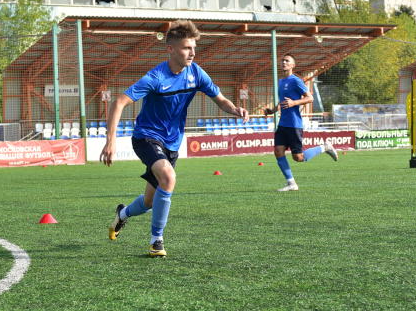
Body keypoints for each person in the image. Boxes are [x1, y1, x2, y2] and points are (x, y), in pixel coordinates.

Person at [101, 20, 248, 257]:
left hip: (172, 143)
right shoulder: (156, 77)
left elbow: (220, 98)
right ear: (170, 49)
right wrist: (111, 140)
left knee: (150, 201)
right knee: (169, 177)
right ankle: (156, 240)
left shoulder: (196, 73)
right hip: (146, 137)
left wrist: (235, 109)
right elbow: (119, 102)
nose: (192, 53)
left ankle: (123, 214)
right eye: (186, 48)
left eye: (193, 48)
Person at [264, 54, 338, 192]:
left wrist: (294, 102)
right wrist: (272, 110)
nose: (284, 62)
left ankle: (325, 147)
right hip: (283, 124)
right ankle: (291, 183)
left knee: (298, 157)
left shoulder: (296, 81)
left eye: (287, 61)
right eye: (283, 61)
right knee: (278, 151)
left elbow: (310, 98)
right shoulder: (281, 82)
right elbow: (282, 102)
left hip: (294, 124)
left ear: (293, 65)